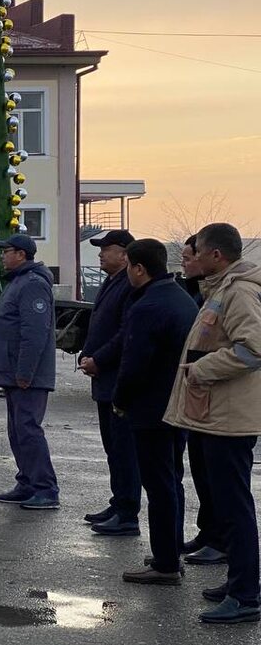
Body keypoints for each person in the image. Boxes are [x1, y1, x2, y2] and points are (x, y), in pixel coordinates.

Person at [164, 223, 261, 624]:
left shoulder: (239, 291)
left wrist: (201, 370)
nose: (192, 257)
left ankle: (246, 595)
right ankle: (239, 581)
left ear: (216, 255)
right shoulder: (220, 289)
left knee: (235, 507)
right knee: (225, 504)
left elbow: (252, 349)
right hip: (214, 415)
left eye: (198, 251)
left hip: (229, 419)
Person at [112, 239, 199, 585]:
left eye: (129, 267)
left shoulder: (147, 306)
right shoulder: (180, 297)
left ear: (138, 268)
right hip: (177, 404)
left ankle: (165, 565)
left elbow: (134, 363)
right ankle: (169, 550)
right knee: (171, 480)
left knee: (159, 485)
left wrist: (120, 400)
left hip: (151, 409)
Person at [0, 234, 59, 510]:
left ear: (21, 254)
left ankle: (45, 489)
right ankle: (27, 482)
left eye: (7, 251)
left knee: (28, 430)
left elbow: (35, 333)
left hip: (27, 376)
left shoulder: (33, 284)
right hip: (14, 374)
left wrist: (25, 372)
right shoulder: (18, 282)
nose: (2, 255)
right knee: (18, 431)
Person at [78, 229, 141, 537]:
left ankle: (128, 513)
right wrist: (87, 353)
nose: (101, 254)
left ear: (125, 254)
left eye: (106, 248)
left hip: (117, 379)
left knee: (124, 449)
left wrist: (99, 359)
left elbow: (124, 333)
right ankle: (118, 503)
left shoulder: (129, 285)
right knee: (112, 448)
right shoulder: (112, 281)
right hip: (104, 380)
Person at [176, 233, 227, 565]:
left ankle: (222, 541)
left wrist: (201, 369)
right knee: (201, 469)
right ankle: (208, 531)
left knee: (220, 477)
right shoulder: (197, 292)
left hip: (219, 401)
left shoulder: (229, 294)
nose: (184, 263)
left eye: (189, 257)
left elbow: (249, 349)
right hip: (198, 398)